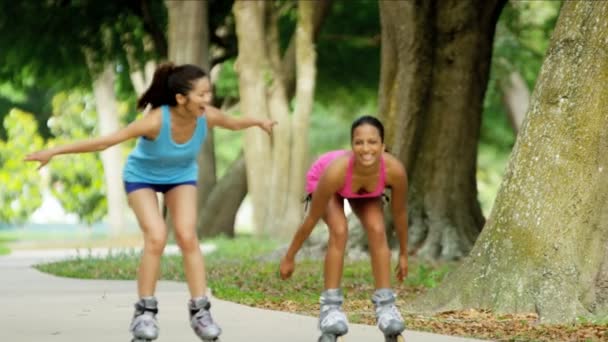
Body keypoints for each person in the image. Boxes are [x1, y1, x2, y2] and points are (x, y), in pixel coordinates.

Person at [25, 62, 276, 342]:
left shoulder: (205, 116)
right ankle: (145, 312)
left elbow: (232, 122)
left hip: (180, 176)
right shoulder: (156, 120)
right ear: (181, 99)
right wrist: (54, 151)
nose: (208, 99)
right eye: (202, 94)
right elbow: (105, 142)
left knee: (187, 236)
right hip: (141, 176)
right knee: (156, 237)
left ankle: (200, 312)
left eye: (209, 93)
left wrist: (258, 122)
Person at [279, 115, 408, 341]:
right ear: (352, 146)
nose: (366, 148)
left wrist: (404, 254)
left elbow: (399, 214)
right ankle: (330, 309)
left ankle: (386, 306)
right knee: (339, 230)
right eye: (359, 143)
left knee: (377, 230)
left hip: (363, 189)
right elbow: (310, 220)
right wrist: (290, 256)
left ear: (383, 146)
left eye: (372, 142)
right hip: (327, 180)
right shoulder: (335, 171)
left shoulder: (394, 171)